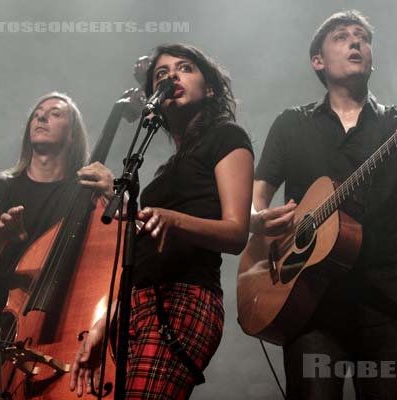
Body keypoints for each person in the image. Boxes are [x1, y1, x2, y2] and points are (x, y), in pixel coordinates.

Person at [250, 10, 397, 399]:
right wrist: (258, 223)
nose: (356, 42)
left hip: (384, 304)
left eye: (362, 37)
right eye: (342, 36)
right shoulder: (290, 124)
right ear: (318, 61)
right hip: (308, 307)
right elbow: (253, 206)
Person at [70, 44, 254, 399]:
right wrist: (102, 326)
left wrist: (175, 220)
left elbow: (236, 234)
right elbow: (140, 255)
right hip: (135, 306)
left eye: (185, 68)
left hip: (183, 299)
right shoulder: (164, 170)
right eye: (162, 74)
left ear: (210, 88)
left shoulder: (227, 137)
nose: (172, 76)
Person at [0, 92, 116, 400]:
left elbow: (113, 255)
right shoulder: (1, 187)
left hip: (51, 337)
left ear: (72, 134)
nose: (42, 117)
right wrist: (2, 239)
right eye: (37, 113)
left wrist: (112, 193)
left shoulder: (85, 193)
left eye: (56, 113)